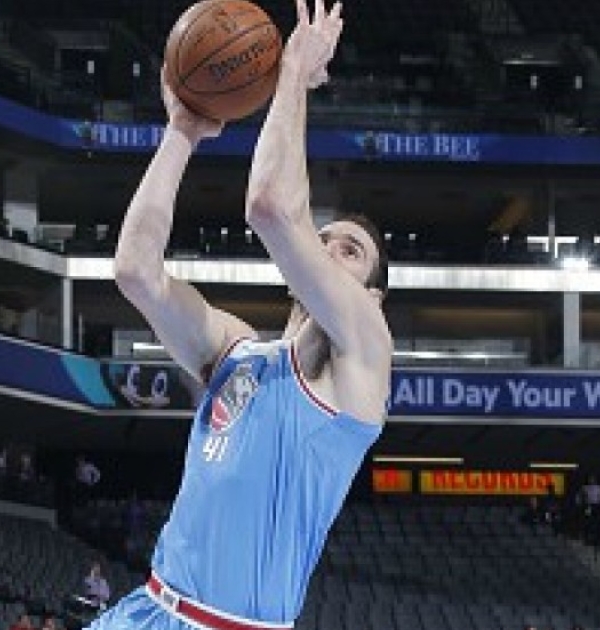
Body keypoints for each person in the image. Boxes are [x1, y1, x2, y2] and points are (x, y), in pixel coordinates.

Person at [95, 1, 391, 629]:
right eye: (325, 239)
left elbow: (272, 207)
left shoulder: (364, 354)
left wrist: (293, 74)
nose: (329, 250)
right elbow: (136, 272)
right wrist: (181, 134)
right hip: (147, 609)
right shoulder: (237, 349)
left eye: (352, 251)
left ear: (373, 297)